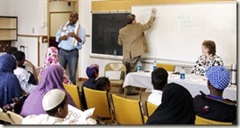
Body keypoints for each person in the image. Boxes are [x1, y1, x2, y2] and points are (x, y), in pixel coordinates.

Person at [118, 8, 157, 95]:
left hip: (125, 54)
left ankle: (121, 88)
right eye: (135, 19)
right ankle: (130, 90)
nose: (136, 20)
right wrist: (153, 16)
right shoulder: (138, 27)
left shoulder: (122, 30)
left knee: (124, 71)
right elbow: (148, 25)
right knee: (132, 72)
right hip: (135, 54)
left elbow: (119, 42)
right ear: (133, 21)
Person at [22, 89, 96, 124]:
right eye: (67, 106)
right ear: (60, 110)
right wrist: (89, 119)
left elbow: (25, 120)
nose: (68, 108)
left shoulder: (39, 118)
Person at [55, 11, 86, 85]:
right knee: (60, 72)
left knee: (72, 74)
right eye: (70, 16)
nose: (71, 18)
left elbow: (82, 41)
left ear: (77, 18)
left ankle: (72, 91)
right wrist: (62, 38)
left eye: (73, 17)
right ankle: (60, 88)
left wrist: (75, 36)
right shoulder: (63, 26)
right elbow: (57, 37)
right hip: (62, 52)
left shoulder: (80, 29)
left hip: (73, 53)